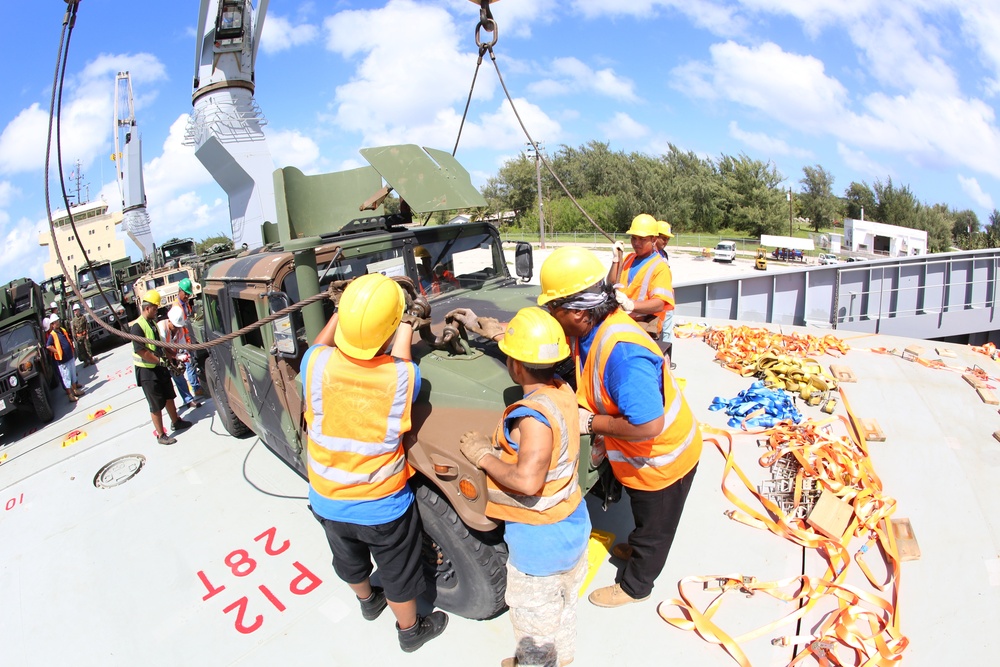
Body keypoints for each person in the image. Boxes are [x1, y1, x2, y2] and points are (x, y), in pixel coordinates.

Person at [537, 246, 702, 608]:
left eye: (554, 309)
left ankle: (636, 585)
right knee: (645, 518)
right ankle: (640, 546)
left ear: (578, 311)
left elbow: (649, 424)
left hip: (664, 461)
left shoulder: (623, 353)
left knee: (657, 528)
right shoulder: (592, 326)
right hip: (642, 459)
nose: (551, 316)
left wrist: (591, 422)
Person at [303, 273, 448, 653]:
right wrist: (406, 322)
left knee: (348, 560)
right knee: (397, 570)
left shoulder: (315, 366)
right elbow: (401, 362)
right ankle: (410, 630)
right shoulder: (399, 379)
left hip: (326, 499)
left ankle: (368, 603)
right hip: (380, 506)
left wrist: (339, 311)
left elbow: (318, 346)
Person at [459, 307, 591, 667]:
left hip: (540, 548)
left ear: (516, 367)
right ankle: (562, 658)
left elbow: (528, 482)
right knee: (563, 609)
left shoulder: (531, 418)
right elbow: (536, 357)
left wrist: (484, 455)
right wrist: (495, 333)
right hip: (573, 528)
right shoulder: (561, 390)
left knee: (534, 628)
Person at [607, 214, 674, 357]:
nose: (636, 243)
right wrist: (615, 259)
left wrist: (631, 305)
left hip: (643, 331)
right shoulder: (629, 258)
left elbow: (660, 304)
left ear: (654, 239)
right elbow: (611, 283)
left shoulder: (660, 268)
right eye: (634, 238)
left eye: (642, 239)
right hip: (622, 324)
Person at [130, 289, 192, 445]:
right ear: (147, 307)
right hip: (147, 372)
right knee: (156, 403)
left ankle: (176, 421)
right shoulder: (137, 327)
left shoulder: (152, 324)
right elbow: (142, 351)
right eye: (155, 308)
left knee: (169, 395)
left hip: (159, 366)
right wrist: (160, 361)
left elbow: (160, 345)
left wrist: (173, 356)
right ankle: (160, 435)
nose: (157, 311)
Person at [157, 305, 202, 410]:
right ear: (170, 322)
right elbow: (163, 349)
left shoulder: (179, 329)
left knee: (179, 376)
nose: (177, 329)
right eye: (175, 326)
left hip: (173, 355)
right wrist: (176, 356)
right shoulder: (162, 329)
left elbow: (181, 345)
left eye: (178, 327)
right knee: (165, 385)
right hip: (161, 358)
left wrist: (185, 355)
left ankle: (188, 400)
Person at [174, 278, 203, 396]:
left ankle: (197, 386)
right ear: (180, 291)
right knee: (189, 364)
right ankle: (196, 389)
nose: (187, 296)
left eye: (188, 294)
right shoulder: (176, 307)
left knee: (192, 362)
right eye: (185, 294)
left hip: (188, 338)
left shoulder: (184, 304)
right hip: (183, 341)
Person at [45, 314, 84, 403]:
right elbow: (48, 346)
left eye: (57, 321)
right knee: (66, 378)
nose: (57, 323)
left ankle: (75, 391)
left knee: (73, 375)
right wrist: (57, 352)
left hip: (69, 357)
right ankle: (70, 395)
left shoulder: (62, 330)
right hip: (62, 361)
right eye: (55, 322)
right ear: (52, 324)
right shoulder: (52, 335)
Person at [655, 220, 676, 366]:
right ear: (655, 237)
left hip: (667, 302)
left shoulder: (664, 254)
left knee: (667, 331)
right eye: (664, 238)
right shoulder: (652, 257)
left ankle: (667, 362)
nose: (666, 241)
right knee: (656, 332)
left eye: (668, 239)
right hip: (657, 304)